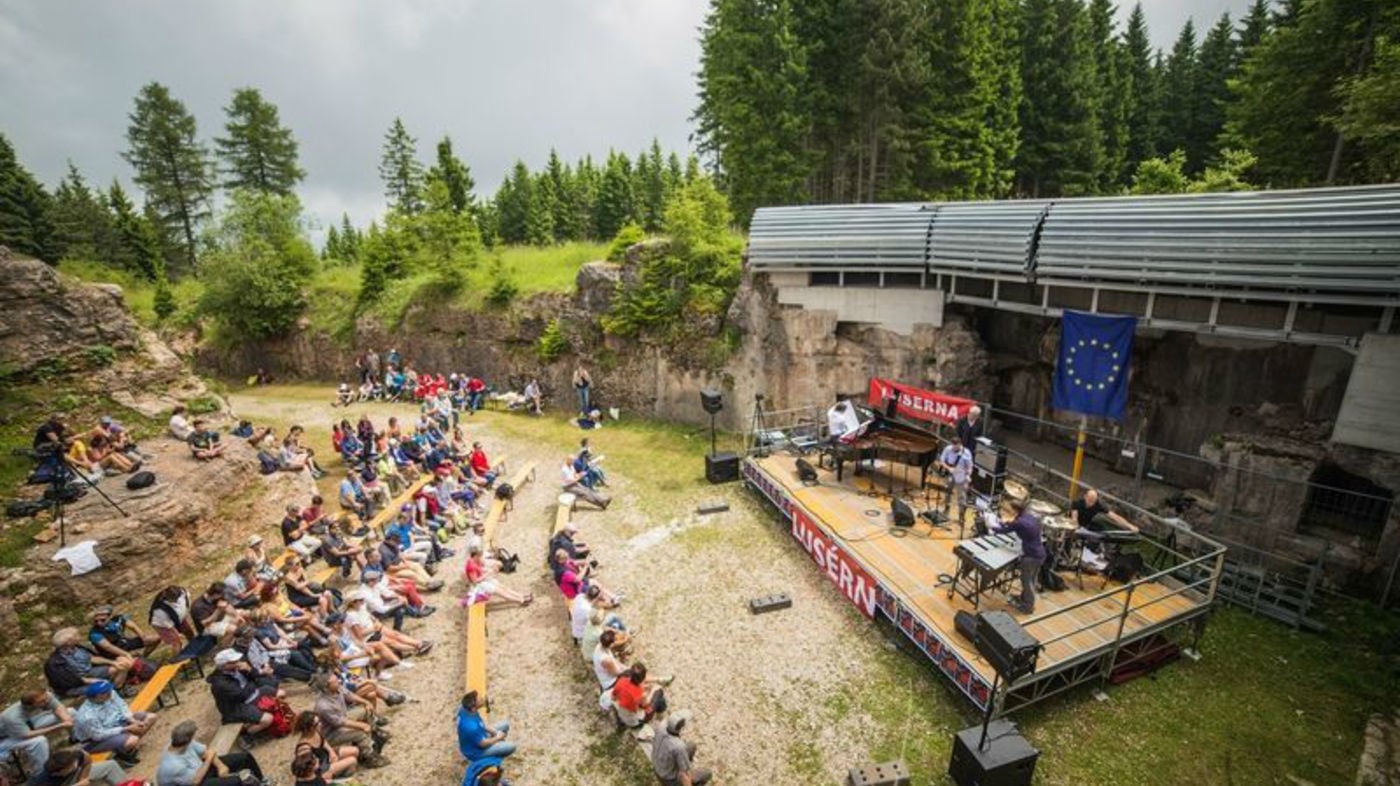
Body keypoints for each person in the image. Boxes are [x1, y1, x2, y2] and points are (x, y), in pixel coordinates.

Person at [154, 720, 267, 786]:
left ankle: (262, 781)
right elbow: (196, 781)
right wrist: (209, 759)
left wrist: (221, 766)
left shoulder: (180, 742)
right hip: (194, 782)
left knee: (245, 757)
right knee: (236, 781)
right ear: (188, 739)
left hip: (200, 769)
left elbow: (206, 752)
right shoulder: (173, 766)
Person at [311, 673, 387, 768]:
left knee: (364, 710)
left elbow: (350, 695)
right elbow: (340, 723)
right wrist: (362, 726)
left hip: (342, 718)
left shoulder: (337, 688)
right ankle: (368, 757)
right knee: (360, 733)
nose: (339, 681)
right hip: (331, 733)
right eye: (335, 681)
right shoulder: (323, 706)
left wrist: (366, 702)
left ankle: (375, 734)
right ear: (327, 687)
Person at [71, 681, 155, 765]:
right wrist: (126, 729)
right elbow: (98, 735)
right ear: (97, 696)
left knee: (151, 717)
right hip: (94, 740)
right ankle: (122, 755)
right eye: (106, 692)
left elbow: (122, 706)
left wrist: (132, 720)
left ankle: (125, 747)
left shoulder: (111, 694)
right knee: (132, 740)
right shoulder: (87, 716)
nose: (110, 692)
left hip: (117, 723)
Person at [990, 498, 1046, 615]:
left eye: (1010, 510)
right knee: (1032, 579)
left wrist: (991, 526)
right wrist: (1005, 523)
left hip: (1031, 556)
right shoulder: (1028, 517)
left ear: (1015, 510)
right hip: (1040, 553)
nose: (1008, 512)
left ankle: (1028, 606)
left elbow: (1004, 531)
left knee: (1026, 581)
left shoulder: (1019, 522)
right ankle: (1024, 598)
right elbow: (1014, 525)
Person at [206, 650, 277, 741]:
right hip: (236, 707)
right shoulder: (220, 683)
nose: (238, 662)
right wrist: (253, 681)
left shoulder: (237, 668)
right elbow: (242, 695)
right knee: (268, 719)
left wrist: (250, 670)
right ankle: (245, 736)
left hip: (249, 695)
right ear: (224, 666)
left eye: (237, 660)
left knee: (280, 693)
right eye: (233, 662)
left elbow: (256, 676)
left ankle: (258, 718)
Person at [0, 689, 72, 776]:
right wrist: (59, 726)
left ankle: (78, 739)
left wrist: (66, 719)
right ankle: (42, 773)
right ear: (30, 705)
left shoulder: (44, 696)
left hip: (28, 724)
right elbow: (27, 735)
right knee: (38, 741)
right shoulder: (12, 717)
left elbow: (58, 707)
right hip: (7, 738)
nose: (47, 701)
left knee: (70, 712)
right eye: (42, 702)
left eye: (46, 699)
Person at [43, 629, 132, 699]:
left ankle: (118, 689)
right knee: (102, 685)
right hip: (74, 685)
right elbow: (73, 681)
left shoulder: (77, 647)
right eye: (76, 636)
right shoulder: (54, 663)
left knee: (123, 665)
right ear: (68, 642)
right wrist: (97, 681)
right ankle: (109, 692)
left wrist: (113, 663)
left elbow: (92, 658)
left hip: (89, 672)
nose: (79, 637)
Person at [292, 712, 358, 783]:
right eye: (317, 723)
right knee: (352, 760)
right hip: (322, 768)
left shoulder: (316, 732)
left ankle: (341, 770)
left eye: (319, 721)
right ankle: (341, 777)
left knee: (355, 750)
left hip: (325, 756)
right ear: (310, 728)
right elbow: (308, 769)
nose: (320, 724)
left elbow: (324, 742)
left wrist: (331, 753)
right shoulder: (304, 748)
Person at [651, 715, 712, 786]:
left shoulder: (661, 729)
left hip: (657, 767)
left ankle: (686, 764)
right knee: (707, 773)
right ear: (679, 728)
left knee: (691, 745)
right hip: (669, 780)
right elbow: (683, 776)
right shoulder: (678, 746)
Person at [455, 691, 515, 762]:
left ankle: (498, 745)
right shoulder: (471, 727)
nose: (482, 699)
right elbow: (483, 744)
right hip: (477, 752)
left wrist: (495, 732)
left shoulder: (464, 709)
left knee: (505, 724)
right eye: (480, 700)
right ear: (473, 708)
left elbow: (481, 724)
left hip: (479, 735)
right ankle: (491, 756)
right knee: (512, 746)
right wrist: (497, 738)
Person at [27, 747, 127, 786]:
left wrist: (83, 778)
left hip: (74, 777)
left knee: (110, 765)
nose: (75, 765)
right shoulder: (40, 781)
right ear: (60, 771)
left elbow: (86, 758)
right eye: (71, 766)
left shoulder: (73, 756)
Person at [87, 605, 158, 660]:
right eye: (96, 621)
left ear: (110, 617)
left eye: (103, 620)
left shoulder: (118, 619)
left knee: (155, 638)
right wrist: (127, 654)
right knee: (133, 657)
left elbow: (133, 626)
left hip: (124, 643)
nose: (99, 623)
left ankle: (144, 657)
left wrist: (143, 637)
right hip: (112, 654)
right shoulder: (95, 633)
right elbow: (108, 647)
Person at [1069, 488, 1140, 542]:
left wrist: (1130, 526)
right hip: (1072, 523)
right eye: (1090, 500)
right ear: (1085, 497)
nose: (1091, 504)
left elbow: (1115, 517)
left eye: (1093, 501)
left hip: (1086, 526)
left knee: (1101, 532)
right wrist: (1076, 528)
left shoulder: (1097, 505)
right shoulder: (1077, 503)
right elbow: (1074, 518)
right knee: (1071, 533)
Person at [612, 662, 668, 729]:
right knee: (659, 692)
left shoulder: (621, 681)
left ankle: (661, 707)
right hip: (634, 721)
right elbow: (646, 706)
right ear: (643, 678)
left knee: (654, 695)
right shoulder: (640, 694)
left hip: (621, 712)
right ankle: (661, 710)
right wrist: (651, 692)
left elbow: (613, 696)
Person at [938, 436, 973, 530]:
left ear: (960, 444)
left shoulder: (966, 452)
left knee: (961, 497)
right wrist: (948, 468)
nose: (953, 448)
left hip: (961, 477)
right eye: (953, 446)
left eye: (955, 447)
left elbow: (970, 466)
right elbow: (942, 460)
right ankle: (946, 509)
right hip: (951, 474)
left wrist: (968, 475)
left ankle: (961, 518)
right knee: (947, 492)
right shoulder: (948, 449)